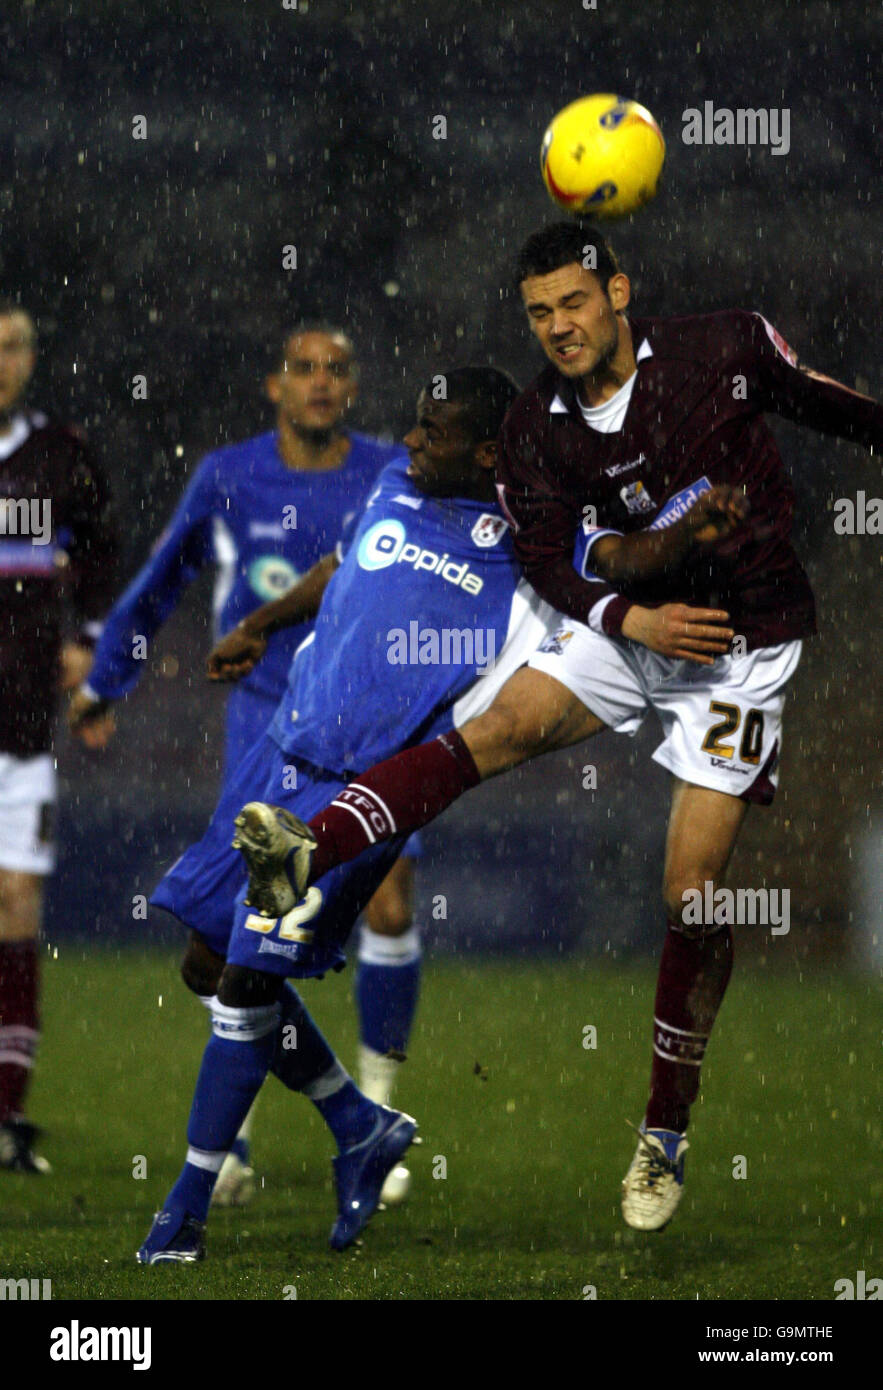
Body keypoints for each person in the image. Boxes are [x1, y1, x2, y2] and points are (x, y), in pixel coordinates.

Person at [231, 221, 882, 1235]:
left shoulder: (726, 352)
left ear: (619, 291)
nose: (558, 327)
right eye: (538, 313)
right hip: (631, 627)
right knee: (500, 725)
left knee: (693, 896)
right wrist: (640, 603)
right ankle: (315, 847)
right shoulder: (537, 425)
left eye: (574, 302)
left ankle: (663, 1130)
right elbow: (553, 561)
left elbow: (834, 408)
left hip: (742, 645)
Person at [136, 365, 730, 1263]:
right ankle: (357, 1123)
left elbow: (618, 570)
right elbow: (343, 561)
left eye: (432, 432)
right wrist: (263, 621)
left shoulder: (529, 540)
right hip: (279, 752)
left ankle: (182, 1212)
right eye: (414, 425)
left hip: (356, 790)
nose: (410, 441)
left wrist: (682, 546)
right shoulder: (392, 484)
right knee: (206, 960)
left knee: (249, 979)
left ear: (487, 452)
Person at [68, 325, 422, 1205]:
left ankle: (379, 1110)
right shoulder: (228, 474)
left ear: (351, 386)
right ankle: (244, 1137)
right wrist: (109, 678)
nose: (320, 384)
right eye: (304, 369)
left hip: (367, 715)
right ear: (274, 385)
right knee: (238, 931)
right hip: (269, 720)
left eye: (337, 369)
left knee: (388, 897)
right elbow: (160, 581)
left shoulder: (389, 472)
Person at [0, 300, 117, 1173]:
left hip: (20, 727)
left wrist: (88, 639)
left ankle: (6, 1117)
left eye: (11, 347)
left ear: (31, 359)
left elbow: (103, 555)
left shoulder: (59, 459)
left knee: (15, 905)